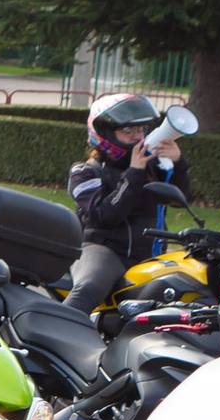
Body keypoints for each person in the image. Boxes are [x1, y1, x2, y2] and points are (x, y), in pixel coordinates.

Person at [65, 92, 192, 315]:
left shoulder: (151, 167)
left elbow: (179, 199)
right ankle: (51, 335)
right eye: (127, 131)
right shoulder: (85, 172)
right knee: (89, 288)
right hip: (105, 251)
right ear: (104, 133)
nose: (138, 136)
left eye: (141, 130)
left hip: (151, 254)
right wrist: (134, 173)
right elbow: (105, 215)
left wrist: (178, 163)